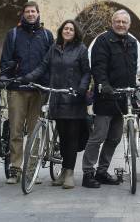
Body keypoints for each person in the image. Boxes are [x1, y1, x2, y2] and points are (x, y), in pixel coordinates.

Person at [20, 20, 91, 189]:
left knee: (72, 137)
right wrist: (28, 77)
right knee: (63, 137)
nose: (68, 31)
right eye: (65, 28)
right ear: (61, 31)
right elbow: (43, 67)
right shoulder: (54, 48)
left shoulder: (81, 49)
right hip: (57, 98)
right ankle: (63, 172)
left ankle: (69, 174)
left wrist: (81, 89)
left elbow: (87, 73)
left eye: (71, 29)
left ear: (75, 32)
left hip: (73, 98)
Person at [82, 9, 139, 188]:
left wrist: (136, 88)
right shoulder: (103, 40)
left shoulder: (132, 42)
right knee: (98, 136)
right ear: (112, 23)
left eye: (124, 22)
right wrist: (104, 84)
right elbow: (98, 66)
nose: (121, 25)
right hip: (106, 96)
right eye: (118, 21)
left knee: (114, 138)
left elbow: (132, 68)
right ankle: (88, 173)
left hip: (123, 98)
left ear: (129, 25)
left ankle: (102, 171)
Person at [0, 1, 54, 184]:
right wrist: (6, 78)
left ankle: (31, 170)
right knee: (15, 129)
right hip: (17, 89)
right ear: (23, 14)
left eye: (33, 11)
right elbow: (5, 59)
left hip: (38, 90)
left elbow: (51, 62)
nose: (31, 14)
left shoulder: (46, 35)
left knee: (34, 132)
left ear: (38, 14)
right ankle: (15, 168)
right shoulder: (13, 34)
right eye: (27, 11)